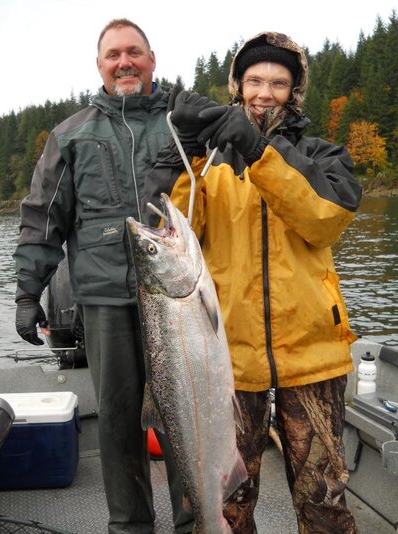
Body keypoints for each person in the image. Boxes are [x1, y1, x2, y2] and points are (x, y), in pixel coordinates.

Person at [145, 31, 362, 533]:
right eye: (255, 80)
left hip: (313, 360)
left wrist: (259, 150)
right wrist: (181, 156)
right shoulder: (208, 166)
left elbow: (324, 218)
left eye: (279, 83)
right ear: (237, 86)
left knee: (324, 505)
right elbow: (167, 228)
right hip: (228, 366)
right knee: (228, 505)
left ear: (296, 91)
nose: (265, 92)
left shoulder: (322, 155)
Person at [13, 18, 194, 534]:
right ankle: (130, 525)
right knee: (116, 420)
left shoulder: (185, 123)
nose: (124, 63)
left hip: (180, 300)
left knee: (184, 413)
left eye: (134, 52)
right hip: (104, 300)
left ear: (152, 59)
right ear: (99, 66)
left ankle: (195, 521)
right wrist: (29, 293)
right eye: (113, 54)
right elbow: (42, 217)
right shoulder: (70, 135)